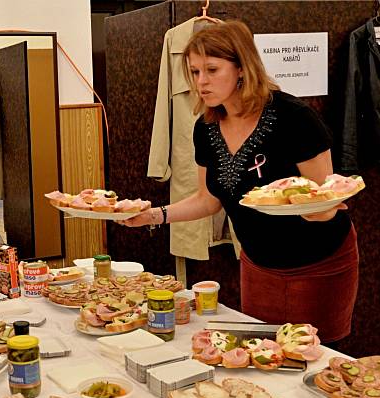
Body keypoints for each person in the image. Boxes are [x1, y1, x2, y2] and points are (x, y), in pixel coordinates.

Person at [121, 21, 359, 343]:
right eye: (194, 72)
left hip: (317, 262)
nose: (201, 82)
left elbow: (322, 196)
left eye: (212, 70)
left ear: (242, 69)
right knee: (259, 353)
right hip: (257, 264)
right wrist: (152, 215)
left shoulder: (293, 117)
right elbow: (207, 200)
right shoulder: (205, 128)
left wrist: (321, 208)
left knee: (313, 357)